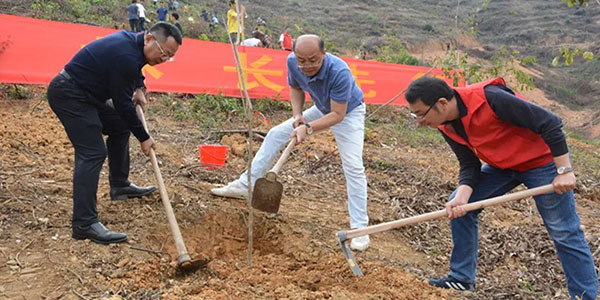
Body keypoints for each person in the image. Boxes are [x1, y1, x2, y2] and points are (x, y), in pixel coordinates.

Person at [404, 76, 598, 300]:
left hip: (540, 162)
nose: (418, 121)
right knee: (460, 207)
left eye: (420, 113)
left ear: (442, 103)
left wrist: (564, 170)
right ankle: (461, 278)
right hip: (502, 165)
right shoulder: (445, 123)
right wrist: (463, 197)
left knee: (564, 230)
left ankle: (584, 295)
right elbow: (468, 163)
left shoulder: (491, 99)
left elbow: (550, 122)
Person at [211, 34, 371, 251]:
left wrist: (309, 128)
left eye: (314, 60)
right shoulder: (292, 63)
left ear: (324, 54)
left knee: (353, 166)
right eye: (302, 60)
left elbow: (337, 114)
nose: (307, 65)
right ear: (295, 56)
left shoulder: (339, 71)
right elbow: (295, 88)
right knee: (276, 134)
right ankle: (245, 185)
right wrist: (298, 116)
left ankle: (360, 229)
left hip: (348, 112)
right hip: (322, 108)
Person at [46, 22, 182, 245]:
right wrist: (144, 137)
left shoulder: (133, 44)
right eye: (163, 53)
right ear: (149, 39)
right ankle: (84, 223)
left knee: (119, 126)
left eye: (169, 57)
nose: (163, 60)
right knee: (92, 152)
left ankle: (120, 185)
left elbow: (135, 69)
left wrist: (139, 86)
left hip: (88, 96)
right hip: (69, 94)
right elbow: (123, 105)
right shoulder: (126, 55)